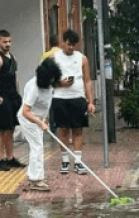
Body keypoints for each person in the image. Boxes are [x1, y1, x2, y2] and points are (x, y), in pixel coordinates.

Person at [51, 28, 94, 175]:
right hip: (60, 98)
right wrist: (59, 83)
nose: (71, 48)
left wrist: (90, 101)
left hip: (78, 98)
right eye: (68, 44)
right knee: (63, 130)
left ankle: (78, 162)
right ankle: (64, 161)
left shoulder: (82, 58)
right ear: (62, 42)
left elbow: (87, 81)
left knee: (78, 130)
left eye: (73, 45)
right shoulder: (54, 58)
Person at [18, 59, 62, 191]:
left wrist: (46, 119)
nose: (52, 82)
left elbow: (46, 103)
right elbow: (26, 111)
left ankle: (35, 177)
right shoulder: (33, 87)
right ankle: (36, 180)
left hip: (39, 118)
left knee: (37, 147)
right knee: (37, 147)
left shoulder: (49, 83)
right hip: (28, 119)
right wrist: (39, 122)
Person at [0, 30, 22, 171]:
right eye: (4, 42)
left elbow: (14, 77)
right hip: (3, 98)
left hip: (13, 97)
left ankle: (10, 157)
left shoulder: (12, 57)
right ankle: (1, 159)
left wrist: (18, 95)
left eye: (9, 41)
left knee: (11, 129)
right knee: (2, 130)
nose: (8, 44)